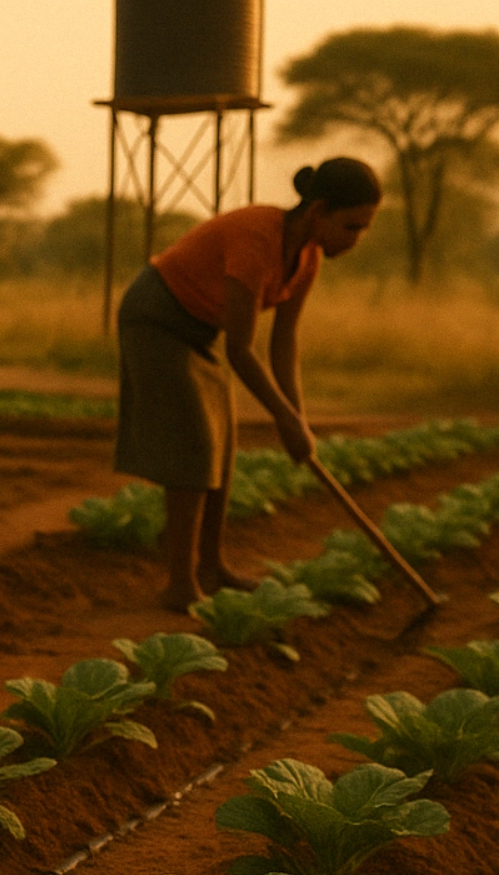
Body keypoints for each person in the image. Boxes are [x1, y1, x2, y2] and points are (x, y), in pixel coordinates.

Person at [112, 157, 382, 611]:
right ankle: (181, 585)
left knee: (223, 447)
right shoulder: (256, 237)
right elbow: (241, 350)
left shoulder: (308, 257)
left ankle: (212, 568)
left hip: (199, 328)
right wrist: (283, 418)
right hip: (156, 318)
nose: (355, 240)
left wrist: (297, 420)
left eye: (363, 230)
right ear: (318, 212)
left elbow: (284, 343)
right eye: (351, 227)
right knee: (193, 448)